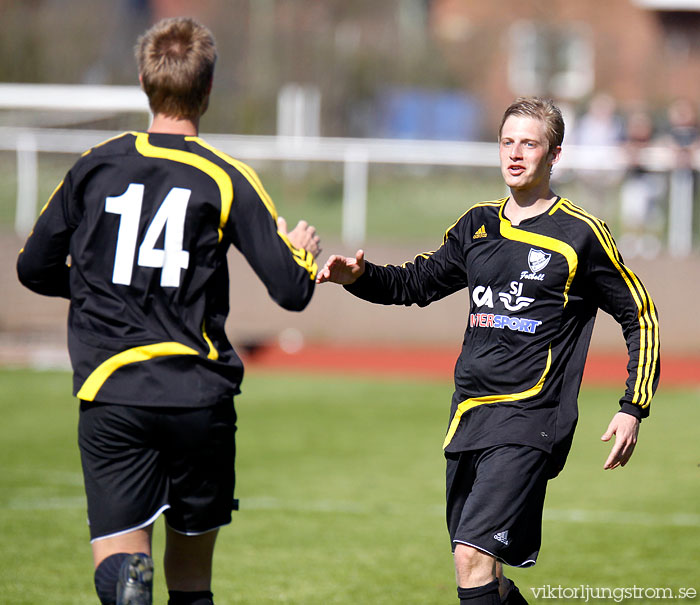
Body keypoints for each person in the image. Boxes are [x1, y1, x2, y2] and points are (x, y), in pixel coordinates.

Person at [17, 17, 320, 605]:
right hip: (197, 397)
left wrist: (100, 290)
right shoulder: (225, 177)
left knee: (123, 563)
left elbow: (33, 268)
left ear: (142, 81)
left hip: (115, 390)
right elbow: (290, 291)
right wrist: (303, 257)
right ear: (208, 89)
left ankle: (130, 585)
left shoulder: (93, 165)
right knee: (191, 582)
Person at [316, 97, 660, 605]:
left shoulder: (581, 234)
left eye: (529, 143)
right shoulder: (477, 224)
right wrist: (360, 277)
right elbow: (414, 283)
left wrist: (633, 406)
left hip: (530, 417)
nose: (515, 154)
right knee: (485, 574)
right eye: (506, 142)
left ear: (554, 154)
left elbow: (640, 313)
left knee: (471, 557)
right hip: (468, 416)